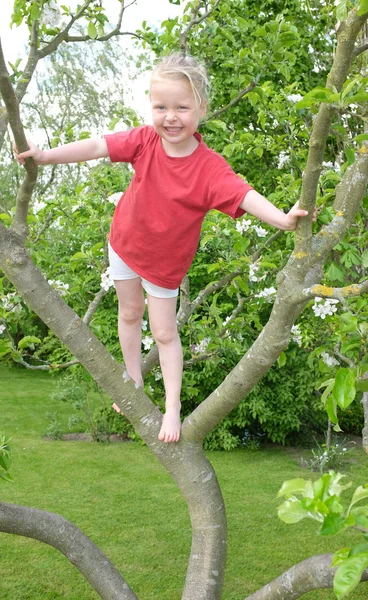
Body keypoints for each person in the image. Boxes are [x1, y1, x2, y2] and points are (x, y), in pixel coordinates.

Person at [15, 53, 313, 444]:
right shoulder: (144, 140)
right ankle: (133, 376)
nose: (170, 117)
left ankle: (172, 407)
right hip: (123, 243)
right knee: (128, 312)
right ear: (151, 107)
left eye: (182, 107)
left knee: (164, 333)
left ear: (201, 109)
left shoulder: (209, 168)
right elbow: (96, 147)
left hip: (164, 265)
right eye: (161, 107)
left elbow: (244, 195)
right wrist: (45, 157)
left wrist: (283, 219)